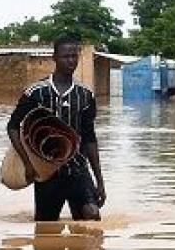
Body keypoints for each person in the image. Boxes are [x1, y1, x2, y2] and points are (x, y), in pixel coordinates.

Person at [7, 36, 106, 221]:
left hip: (78, 170)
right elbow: (13, 127)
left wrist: (99, 180)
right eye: (65, 56)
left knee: (92, 217)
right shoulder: (35, 92)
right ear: (54, 58)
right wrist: (27, 163)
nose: (71, 61)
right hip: (46, 173)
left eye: (74, 56)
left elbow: (90, 137)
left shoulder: (85, 95)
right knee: (45, 228)